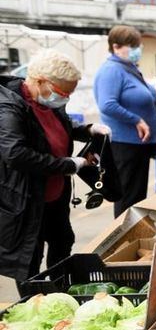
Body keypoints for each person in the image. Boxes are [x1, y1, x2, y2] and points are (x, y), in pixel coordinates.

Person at [0, 49, 110, 283]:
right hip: (26, 199)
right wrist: (68, 164)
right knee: (31, 256)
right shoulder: (9, 107)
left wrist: (87, 130)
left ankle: (60, 289)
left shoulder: (47, 100)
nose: (66, 99)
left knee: (62, 242)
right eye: (63, 92)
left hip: (55, 195)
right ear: (40, 81)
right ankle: (33, 300)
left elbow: (59, 126)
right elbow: (15, 154)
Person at [95, 25, 156, 218]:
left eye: (138, 46)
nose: (137, 50)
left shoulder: (128, 68)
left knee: (137, 195)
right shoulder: (111, 70)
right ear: (116, 46)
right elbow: (107, 105)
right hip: (125, 144)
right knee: (127, 197)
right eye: (132, 46)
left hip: (139, 143)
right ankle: (124, 239)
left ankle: (134, 235)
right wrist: (136, 120)